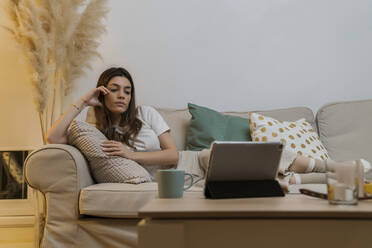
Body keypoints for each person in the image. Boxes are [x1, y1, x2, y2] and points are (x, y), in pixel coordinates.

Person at [46, 67, 179, 176]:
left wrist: (131, 155)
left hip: (175, 175)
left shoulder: (146, 112)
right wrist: (83, 102)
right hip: (136, 182)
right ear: (102, 92)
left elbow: (173, 155)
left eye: (127, 92)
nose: (122, 95)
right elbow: (53, 137)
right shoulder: (94, 128)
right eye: (114, 89)